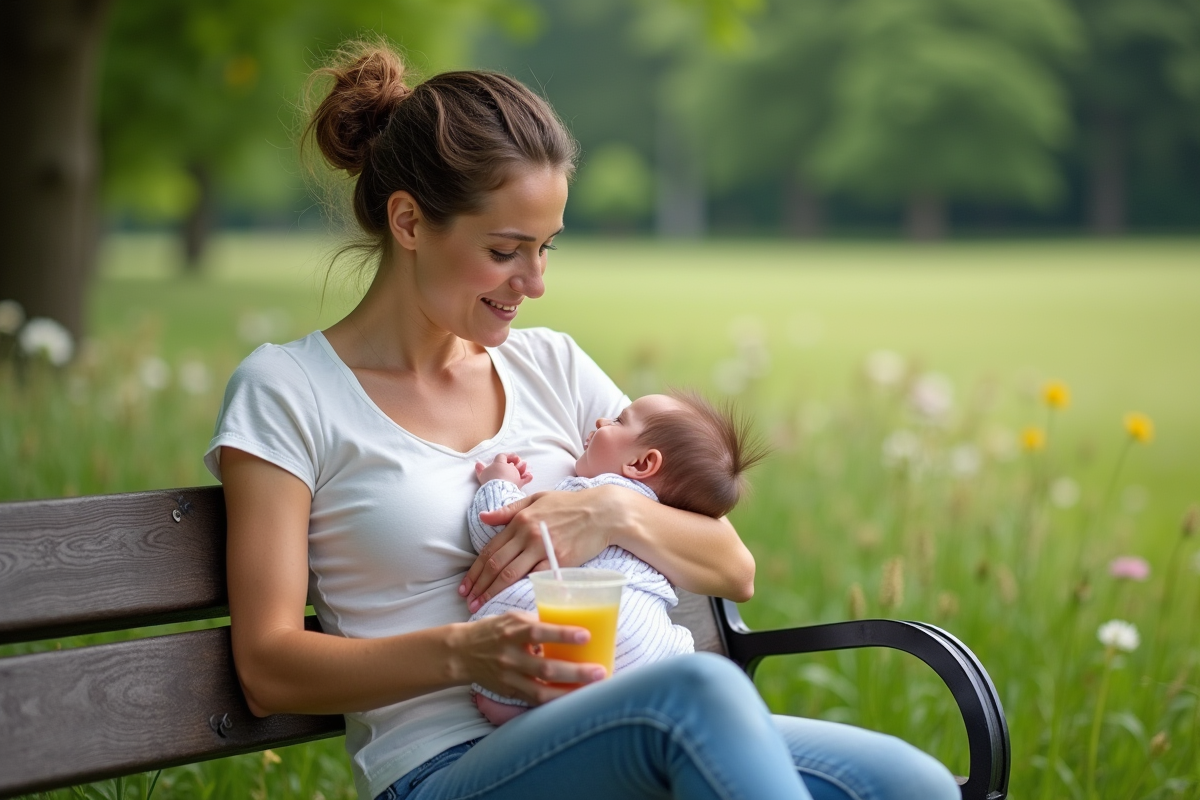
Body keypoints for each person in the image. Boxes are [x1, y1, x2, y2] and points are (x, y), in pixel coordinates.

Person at [206, 40, 961, 800]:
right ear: (408, 222)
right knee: (698, 696)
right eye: (506, 250)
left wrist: (605, 513)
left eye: (545, 249)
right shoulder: (289, 392)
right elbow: (268, 669)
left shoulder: (551, 366)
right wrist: (468, 653)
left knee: (912, 783)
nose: (534, 282)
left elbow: (732, 566)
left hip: (615, 721)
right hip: (446, 768)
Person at [467, 391, 765, 725]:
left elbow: (497, 534)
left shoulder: (589, 493)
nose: (600, 420)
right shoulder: (666, 523)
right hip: (652, 649)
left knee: (517, 653)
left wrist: (498, 484)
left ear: (640, 464)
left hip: (587, 642)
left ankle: (510, 705)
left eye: (618, 421)